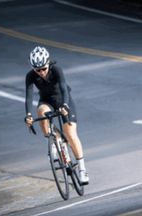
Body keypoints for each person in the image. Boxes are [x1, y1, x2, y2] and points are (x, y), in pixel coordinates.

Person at [24, 46, 89, 185]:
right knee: (41, 112)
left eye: (43, 69)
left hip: (63, 100)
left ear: (48, 63)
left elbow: (64, 88)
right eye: (37, 70)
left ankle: (82, 170)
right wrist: (28, 115)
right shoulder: (30, 76)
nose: (41, 72)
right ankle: (55, 141)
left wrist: (65, 105)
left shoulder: (56, 70)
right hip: (47, 101)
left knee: (70, 134)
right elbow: (28, 97)